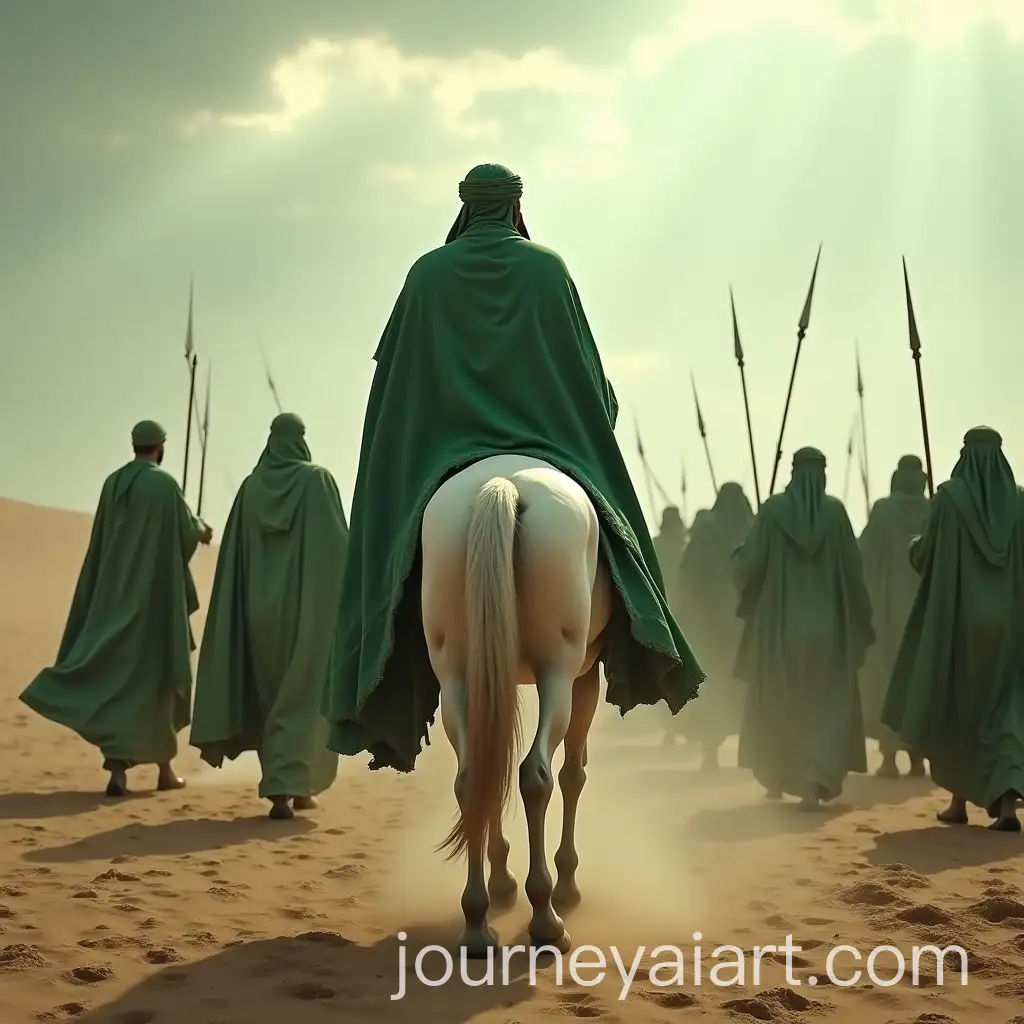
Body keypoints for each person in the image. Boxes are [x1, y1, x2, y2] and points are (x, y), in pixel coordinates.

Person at [323, 163, 705, 770]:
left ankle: (380, 656)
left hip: (441, 462)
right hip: (552, 452)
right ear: (516, 207)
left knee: (391, 573)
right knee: (617, 541)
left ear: (466, 207)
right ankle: (643, 635)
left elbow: (392, 391)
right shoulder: (548, 270)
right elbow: (591, 387)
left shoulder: (426, 276)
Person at [20, 420, 212, 796]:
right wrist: (202, 529)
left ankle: (119, 774)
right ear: (160, 447)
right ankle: (164, 771)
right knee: (156, 683)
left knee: (117, 685)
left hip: (112, 600)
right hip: (153, 605)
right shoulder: (165, 484)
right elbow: (184, 534)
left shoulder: (113, 483)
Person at [190, 414, 348, 819]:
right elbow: (339, 549)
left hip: (257, 618)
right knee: (304, 696)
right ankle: (289, 783)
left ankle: (290, 786)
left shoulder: (250, 488)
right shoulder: (318, 481)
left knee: (271, 695)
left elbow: (235, 558)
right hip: (306, 614)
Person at [883, 427, 1024, 831]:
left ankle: (959, 802)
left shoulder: (949, 497)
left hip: (962, 623)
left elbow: (925, 554)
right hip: (1010, 626)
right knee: (1004, 712)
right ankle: (1008, 806)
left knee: (963, 709)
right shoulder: (1019, 501)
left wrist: (915, 544)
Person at [732, 448, 873, 810]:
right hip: (829, 631)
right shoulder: (837, 513)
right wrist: (863, 621)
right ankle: (813, 779)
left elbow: (749, 564)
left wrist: (738, 557)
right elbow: (856, 574)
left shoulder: (773, 510)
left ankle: (780, 775)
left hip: (780, 630)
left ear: (793, 473)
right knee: (824, 706)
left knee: (782, 703)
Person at [858, 455, 930, 778]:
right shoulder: (936, 509)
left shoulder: (883, 511)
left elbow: (862, 555)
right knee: (920, 680)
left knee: (889, 679)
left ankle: (888, 756)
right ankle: (917, 755)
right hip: (927, 612)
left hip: (887, 614)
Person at [672, 482, 754, 768]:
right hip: (745, 628)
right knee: (744, 689)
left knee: (714, 689)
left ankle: (711, 752)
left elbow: (688, 581)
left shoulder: (705, 535)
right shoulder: (752, 533)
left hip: (709, 628)